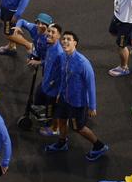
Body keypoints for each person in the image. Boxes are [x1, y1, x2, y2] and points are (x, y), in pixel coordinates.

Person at [44, 29, 105, 159]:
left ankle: (99, 146)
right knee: (61, 120)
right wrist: (60, 92)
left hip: (77, 102)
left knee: (78, 128)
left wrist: (92, 106)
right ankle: (62, 143)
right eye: (64, 39)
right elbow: (63, 76)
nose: (65, 41)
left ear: (75, 43)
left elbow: (91, 85)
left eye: (69, 39)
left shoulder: (83, 63)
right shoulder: (63, 57)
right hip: (64, 98)